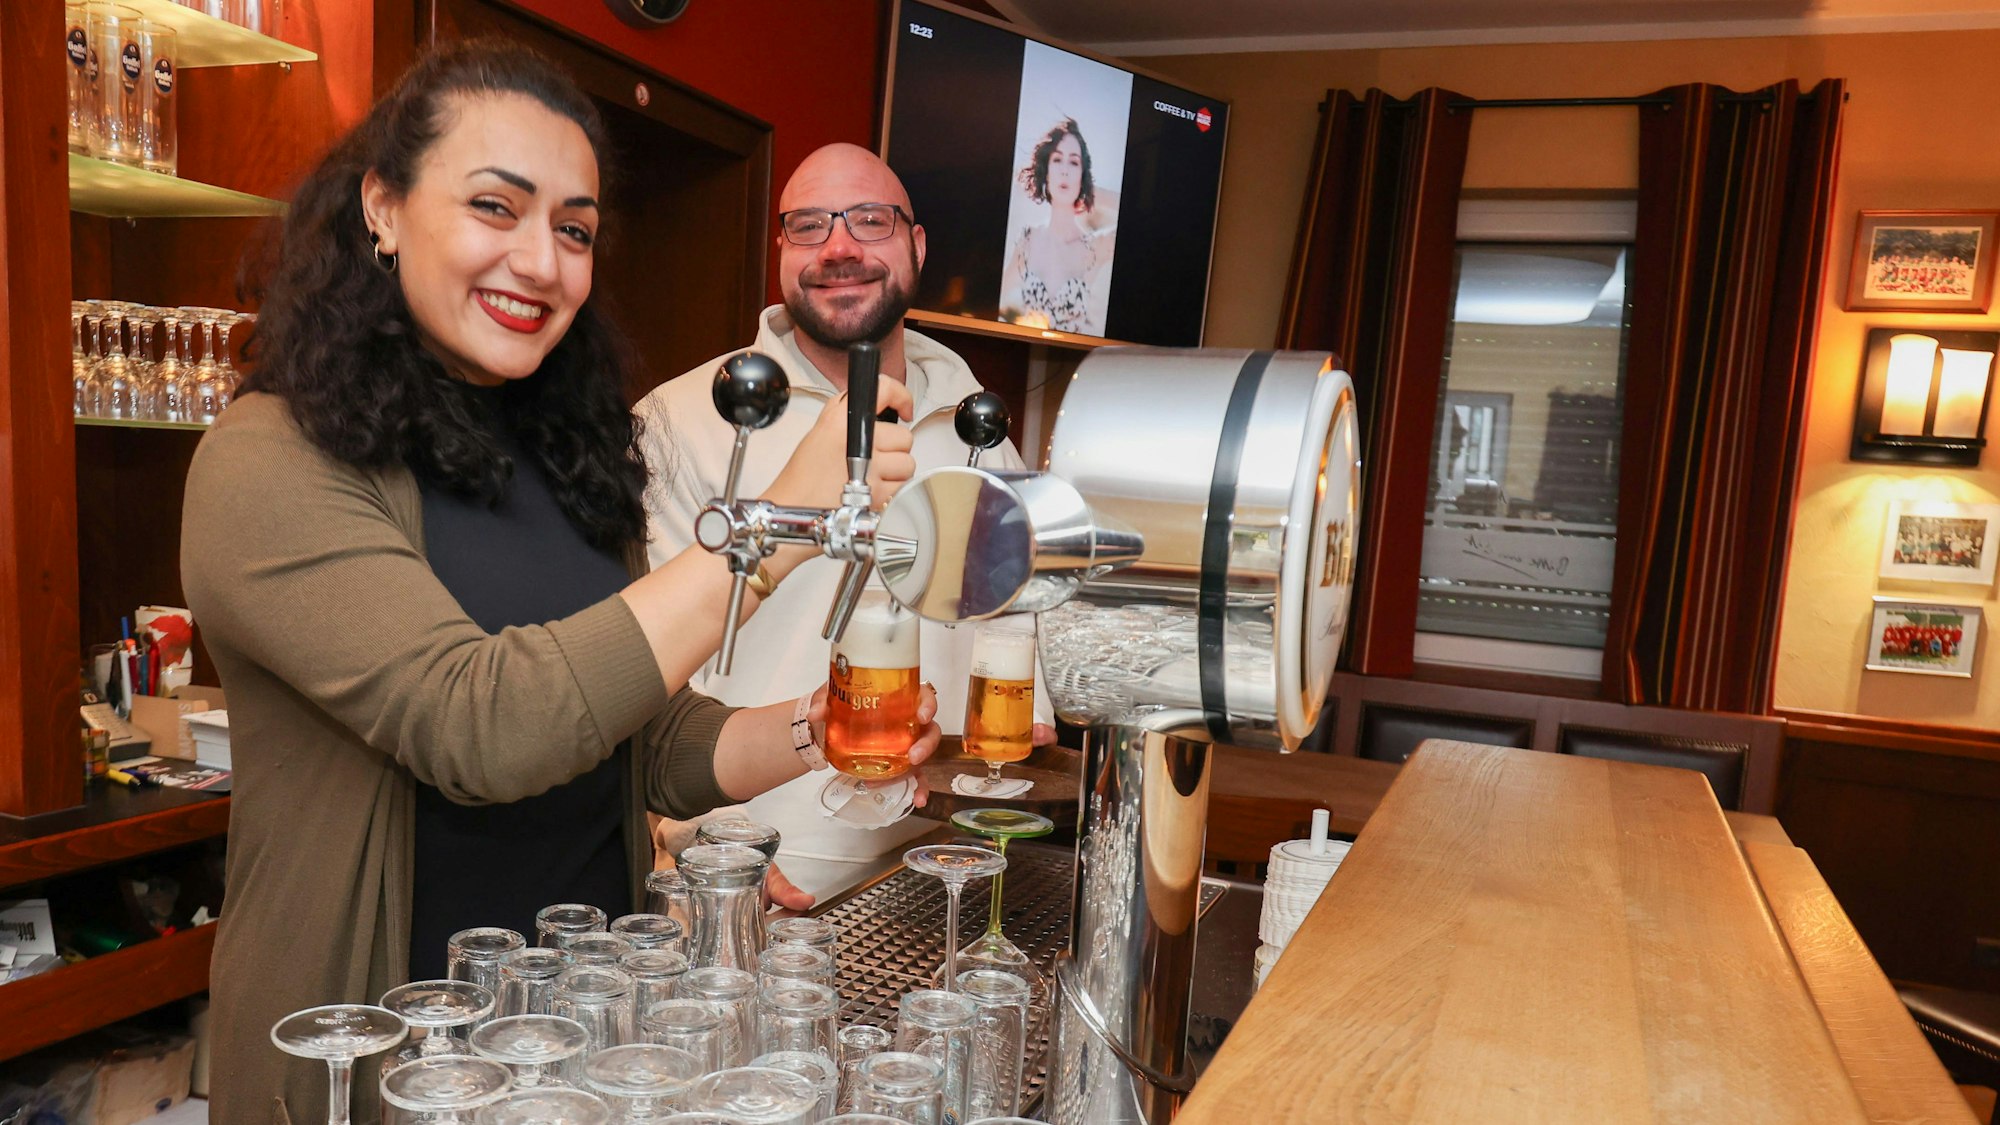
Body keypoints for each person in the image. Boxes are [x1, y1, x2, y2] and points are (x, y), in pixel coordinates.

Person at [180, 44, 939, 1121]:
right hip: (385, 1061)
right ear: (383, 208)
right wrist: (764, 535)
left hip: (579, 1051)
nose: (541, 261)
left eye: (574, 230)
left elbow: (639, 739)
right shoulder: (269, 460)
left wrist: (815, 733)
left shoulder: (562, 453)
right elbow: (478, 723)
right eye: (497, 207)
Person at [637, 143, 1053, 902]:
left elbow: (1015, 658)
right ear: (780, 254)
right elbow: (644, 682)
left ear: (916, 246)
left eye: (870, 221)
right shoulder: (680, 421)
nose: (839, 248)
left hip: (939, 871)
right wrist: (695, 859)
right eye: (808, 226)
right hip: (756, 881)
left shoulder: (976, 426)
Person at [999, 118, 1117, 336]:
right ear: (1046, 170)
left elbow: (1140, 221)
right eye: (1057, 160)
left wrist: (1094, 192)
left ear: (1083, 174)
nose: (1064, 171)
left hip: (1070, 358)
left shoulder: (1095, 247)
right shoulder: (1028, 240)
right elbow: (993, 301)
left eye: (1073, 162)